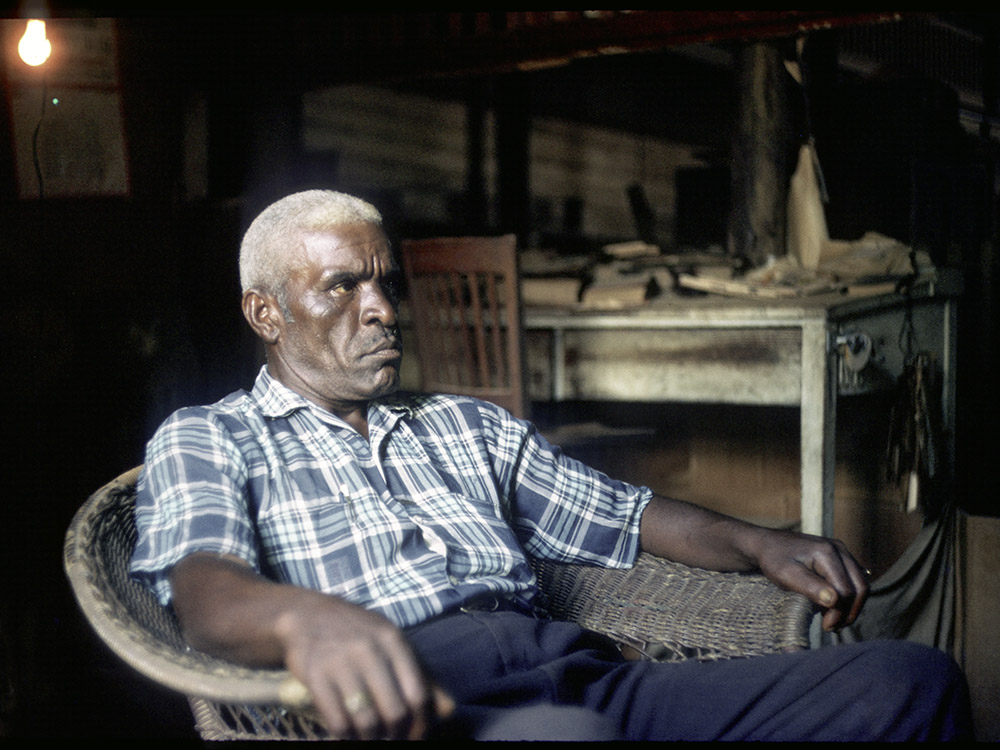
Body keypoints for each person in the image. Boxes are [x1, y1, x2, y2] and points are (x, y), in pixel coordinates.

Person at [130, 190, 972, 741]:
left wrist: (758, 543)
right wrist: (300, 621)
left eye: (386, 283)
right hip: (425, 709)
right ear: (264, 312)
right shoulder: (210, 436)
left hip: (582, 676)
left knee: (909, 683)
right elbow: (205, 590)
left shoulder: (460, 424)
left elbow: (627, 516)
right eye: (342, 287)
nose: (382, 309)